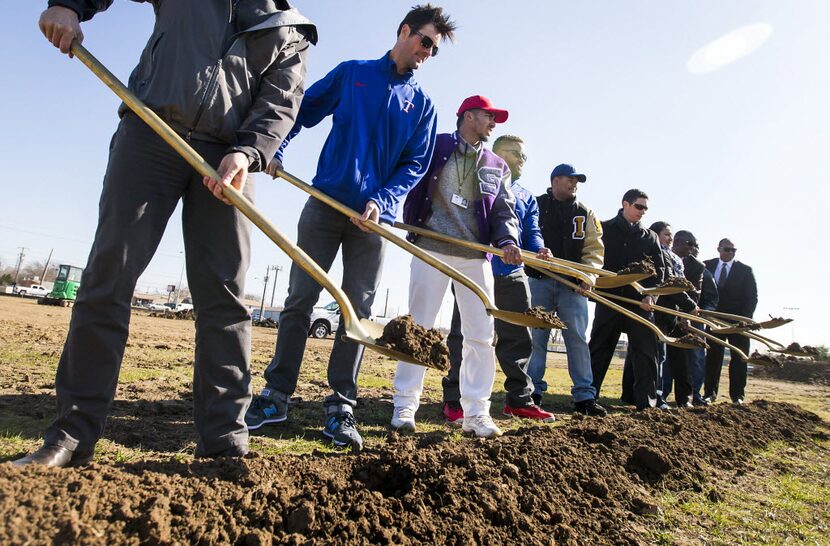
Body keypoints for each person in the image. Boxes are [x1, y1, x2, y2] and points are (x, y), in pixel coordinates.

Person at [16, 0, 315, 468]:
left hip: (228, 158)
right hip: (151, 132)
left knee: (225, 298)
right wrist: (67, 5)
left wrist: (249, 151)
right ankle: (71, 435)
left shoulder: (292, 29)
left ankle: (224, 443)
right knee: (108, 277)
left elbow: (281, 101)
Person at [245, 5, 456, 453]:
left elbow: (414, 165)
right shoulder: (354, 73)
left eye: (434, 50)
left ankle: (341, 405)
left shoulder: (422, 106)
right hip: (324, 206)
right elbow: (303, 109)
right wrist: (276, 147)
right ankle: (275, 396)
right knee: (299, 300)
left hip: (371, 221)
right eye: (424, 42)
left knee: (355, 315)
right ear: (404, 31)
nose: (426, 53)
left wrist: (382, 200)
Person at [392, 95, 521, 438]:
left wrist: (508, 240)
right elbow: (406, 172)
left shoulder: (497, 165)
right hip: (431, 247)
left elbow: (504, 210)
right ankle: (405, 404)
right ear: (468, 116)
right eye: (489, 116)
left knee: (480, 335)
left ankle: (476, 412)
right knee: (418, 328)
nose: (494, 123)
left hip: (474, 256)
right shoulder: (435, 145)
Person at [441, 135, 555, 426]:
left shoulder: (526, 196)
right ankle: (454, 399)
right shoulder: (474, 183)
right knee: (464, 334)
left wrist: (539, 246)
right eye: (514, 153)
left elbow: (531, 230)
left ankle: (520, 400)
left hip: (512, 274)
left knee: (519, 336)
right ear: (496, 153)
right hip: (475, 269)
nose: (520, 160)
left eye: (523, 156)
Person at [526, 164, 607, 416]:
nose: (574, 184)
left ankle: (584, 397)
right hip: (538, 280)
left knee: (577, 340)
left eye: (577, 181)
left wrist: (588, 275)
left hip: (572, 286)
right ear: (554, 180)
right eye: (570, 179)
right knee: (536, 338)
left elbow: (594, 249)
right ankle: (532, 391)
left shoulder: (585, 213)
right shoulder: (534, 205)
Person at [589, 189, 667, 411]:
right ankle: (588, 397)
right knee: (600, 348)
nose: (642, 212)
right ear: (625, 204)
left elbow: (659, 271)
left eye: (645, 209)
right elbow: (592, 259)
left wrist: (651, 295)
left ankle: (646, 402)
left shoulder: (650, 237)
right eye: (639, 207)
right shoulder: (603, 229)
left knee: (645, 352)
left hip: (639, 304)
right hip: (609, 300)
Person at [703, 238, 758, 404]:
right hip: (714, 321)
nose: (730, 253)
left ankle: (737, 396)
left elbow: (752, 298)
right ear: (718, 249)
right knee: (713, 357)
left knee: (739, 358)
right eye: (727, 249)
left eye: (733, 250)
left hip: (737, 323)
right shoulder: (707, 266)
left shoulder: (745, 270)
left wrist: (744, 321)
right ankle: (709, 393)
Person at [653, 226, 700, 407]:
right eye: (667, 235)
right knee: (659, 356)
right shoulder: (657, 254)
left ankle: (683, 398)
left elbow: (685, 288)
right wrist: (689, 306)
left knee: (681, 359)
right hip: (662, 311)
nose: (670, 238)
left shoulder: (680, 261)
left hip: (678, 313)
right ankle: (657, 396)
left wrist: (685, 313)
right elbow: (669, 284)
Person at [689, 242, 719, 405]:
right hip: (673, 317)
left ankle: (695, 394)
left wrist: (704, 311)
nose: (692, 251)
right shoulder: (674, 265)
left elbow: (712, 297)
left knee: (697, 358)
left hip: (696, 321)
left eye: (695, 249)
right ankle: (661, 393)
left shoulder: (705, 272)